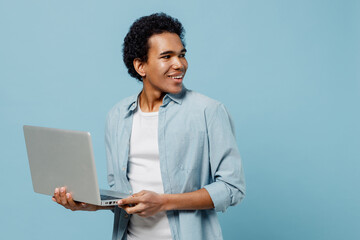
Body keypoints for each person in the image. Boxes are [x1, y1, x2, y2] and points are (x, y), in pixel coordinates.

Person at [52, 12, 245, 240]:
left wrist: (163, 202)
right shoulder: (117, 116)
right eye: (167, 56)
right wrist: (92, 204)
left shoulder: (209, 111)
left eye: (181, 55)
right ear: (140, 66)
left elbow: (232, 188)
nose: (179, 64)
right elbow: (123, 195)